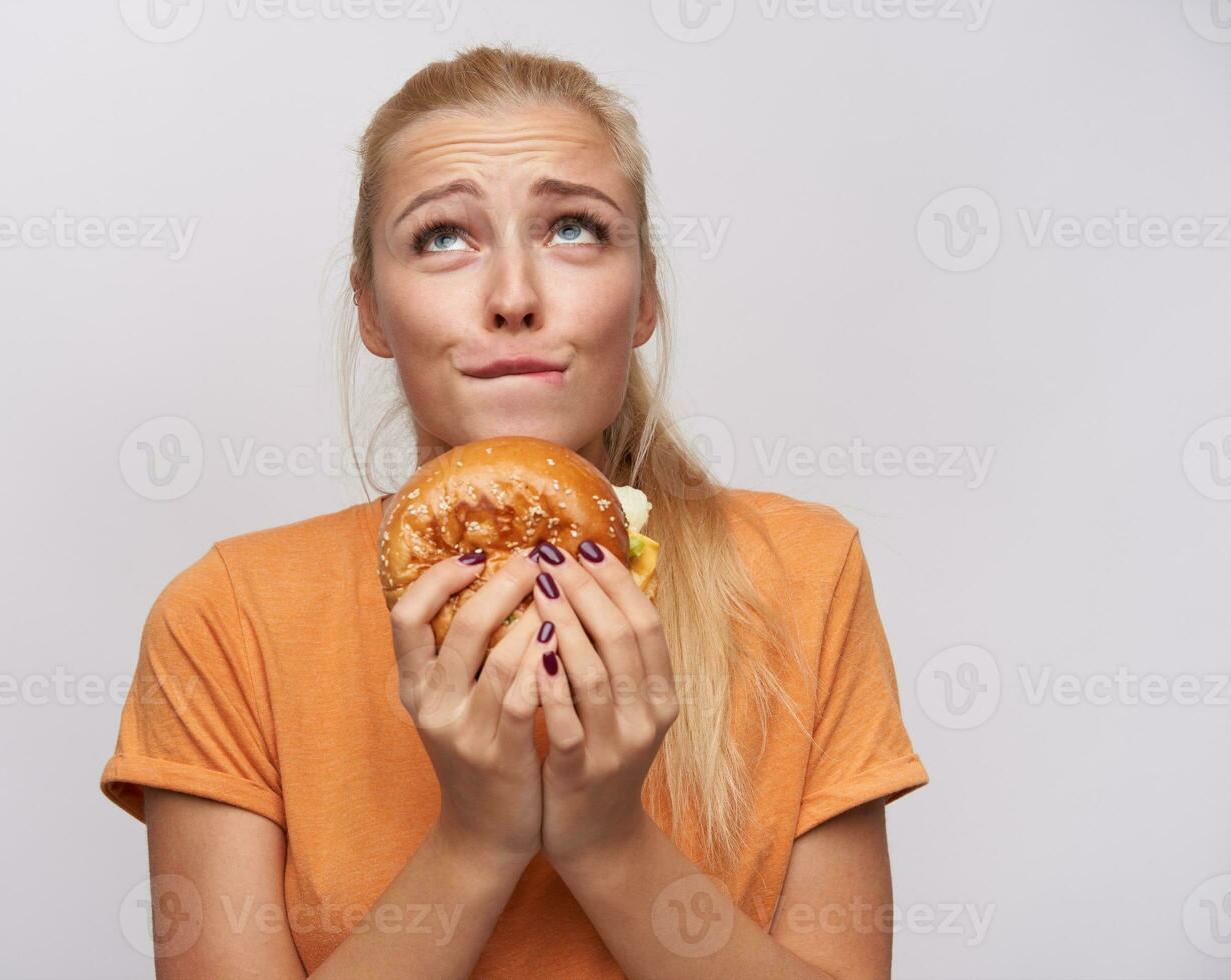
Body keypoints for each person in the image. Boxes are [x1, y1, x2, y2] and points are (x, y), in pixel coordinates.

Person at [100, 42, 929, 979]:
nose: (514, 298)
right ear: (372, 310)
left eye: (573, 228)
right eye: (443, 237)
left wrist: (610, 841)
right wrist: (477, 840)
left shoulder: (803, 573)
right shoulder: (228, 618)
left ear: (645, 293)